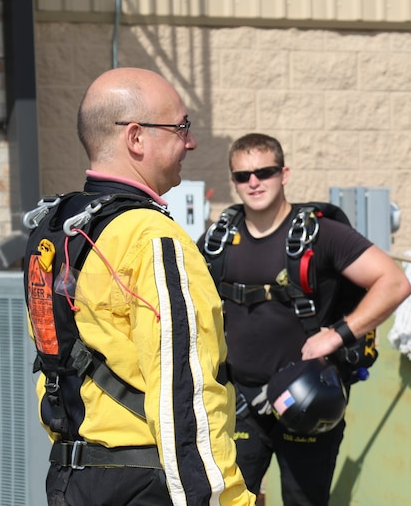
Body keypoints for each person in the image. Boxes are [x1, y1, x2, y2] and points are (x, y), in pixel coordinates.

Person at [22, 67, 255, 505]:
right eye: (181, 127)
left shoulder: (55, 227)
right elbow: (185, 401)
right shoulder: (152, 238)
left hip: (68, 480)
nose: (191, 142)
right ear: (136, 137)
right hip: (143, 485)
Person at [202, 133, 411, 505]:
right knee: (228, 500)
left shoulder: (322, 234)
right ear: (233, 180)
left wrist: (337, 334)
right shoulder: (218, 240)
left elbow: (394, 283)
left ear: (284, 174)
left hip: (307, 396)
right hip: (241, 401)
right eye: (242, 175)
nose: (254, 182)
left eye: (264, 172)